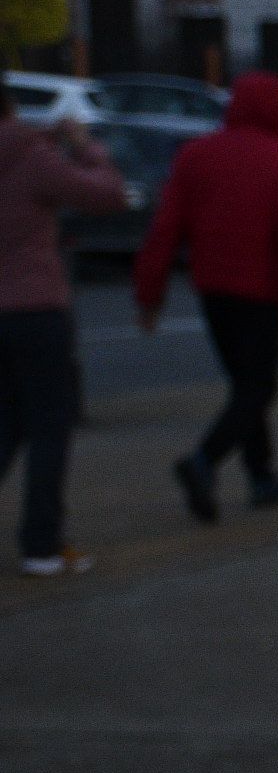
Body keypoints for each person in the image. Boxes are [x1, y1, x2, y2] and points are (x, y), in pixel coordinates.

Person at [132, 70, 278, 522]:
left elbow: (164, 230)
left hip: (213, 289)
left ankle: (261, 476)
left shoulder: (195, 155)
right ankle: (203, 461)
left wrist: (150, 293)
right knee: (259, 387)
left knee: (245, 385)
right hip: (260, 291)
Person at [0, 81, 126, 574]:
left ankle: (42, 544)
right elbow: (108, 195)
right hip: (36, 309)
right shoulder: (32, 158)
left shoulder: (30, 150)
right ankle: (42, 545)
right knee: (50, 427)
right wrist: (85, 146)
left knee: (7, 424)